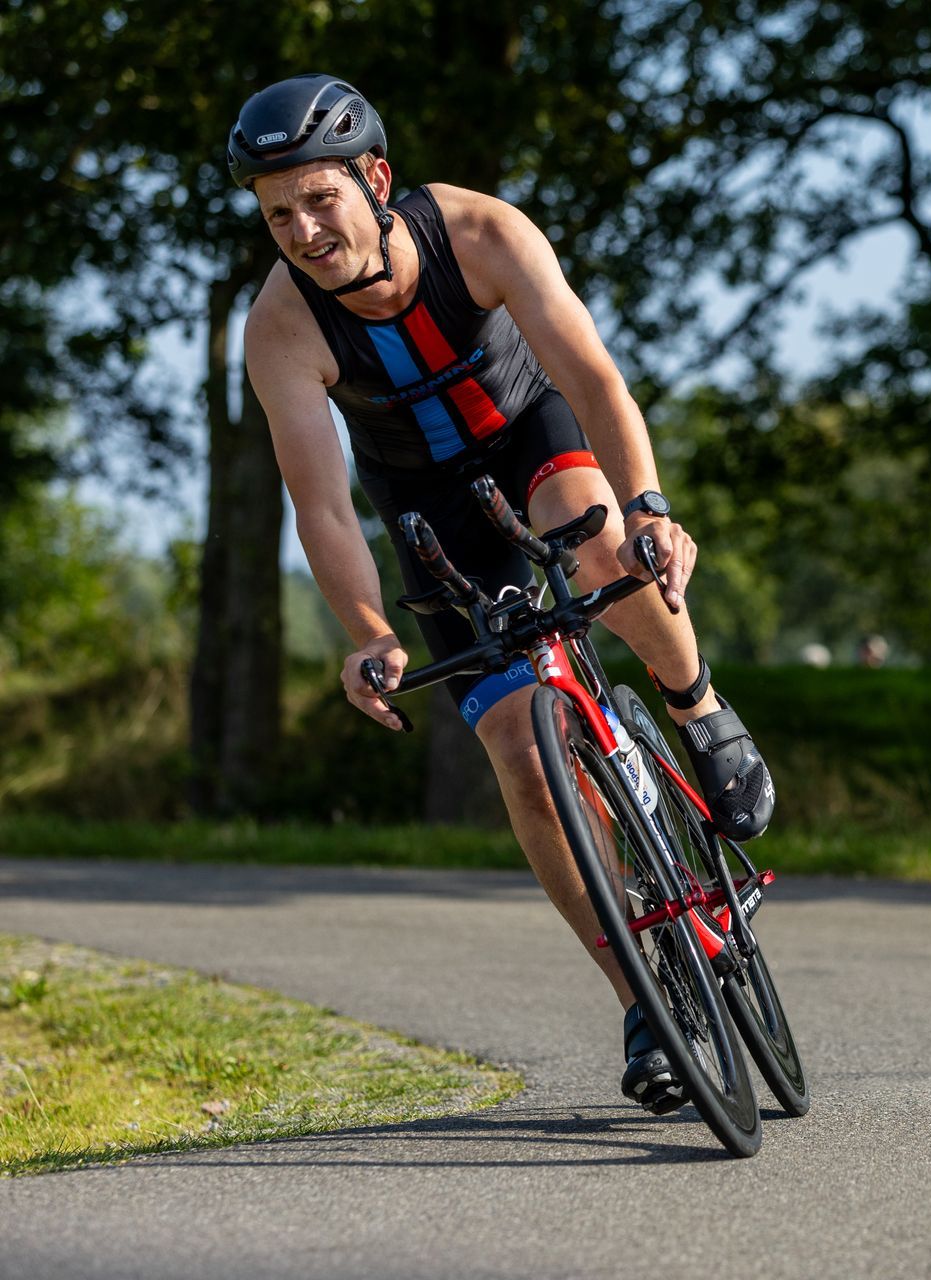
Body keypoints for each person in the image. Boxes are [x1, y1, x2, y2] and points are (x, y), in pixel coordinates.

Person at [228, 74, 775, 1114]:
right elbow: (325, 507)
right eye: (277, 212)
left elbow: (596, 375)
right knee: (525, 760)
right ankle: (648, 1003)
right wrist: (366, 631)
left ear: (374, 180)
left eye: (319, 198)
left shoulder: (478, 231)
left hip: (531, 432)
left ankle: (696, 701)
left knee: (600, 538)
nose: (301, 228)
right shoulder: (282, 328)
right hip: (430, 511)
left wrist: (650, 499)